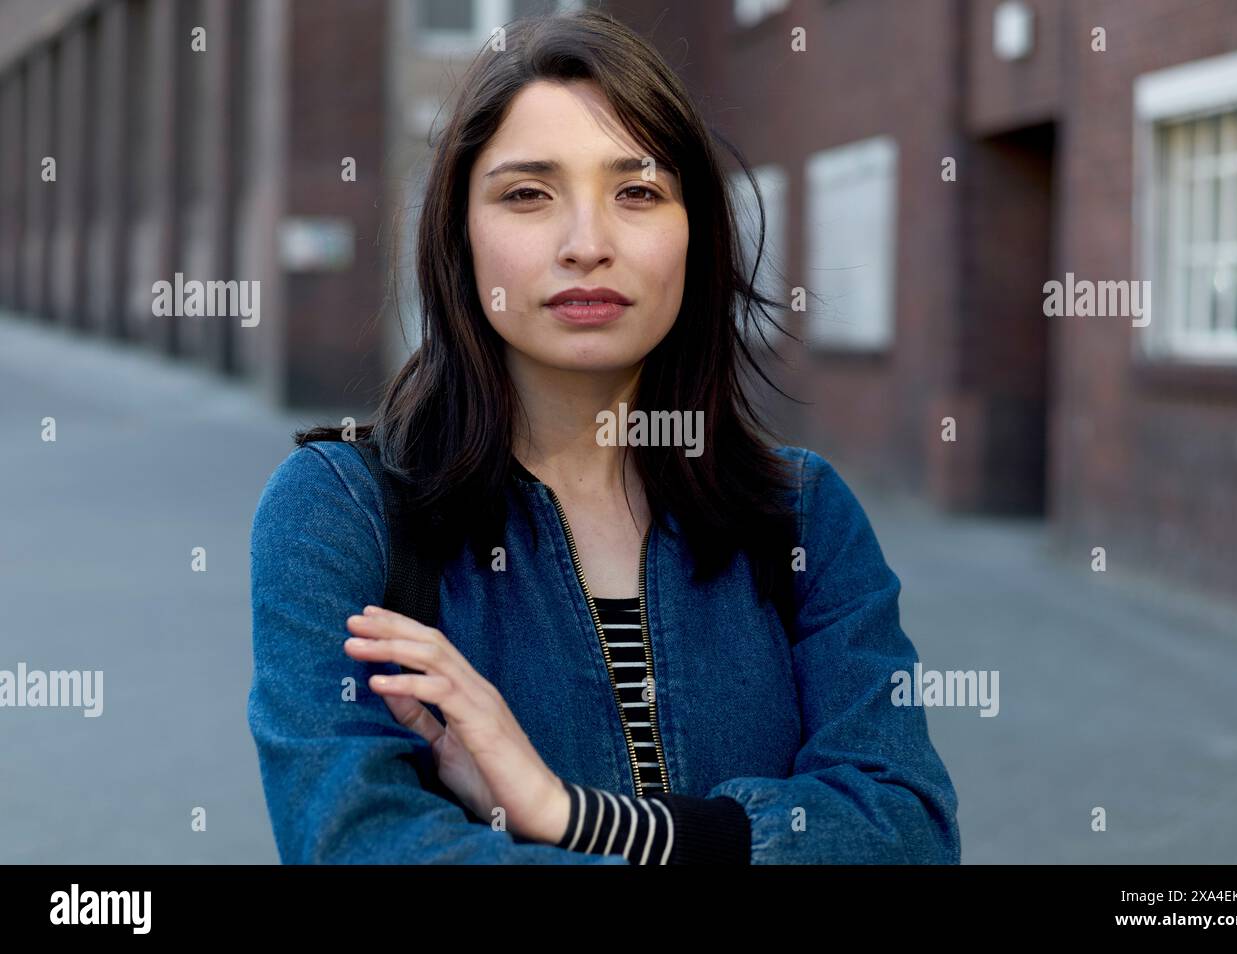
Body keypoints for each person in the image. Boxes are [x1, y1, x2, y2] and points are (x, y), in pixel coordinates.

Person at [246, 8, 960, 865]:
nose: (588, 245)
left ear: (696, 232)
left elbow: (908, 831)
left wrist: (572, 817)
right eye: (527, 194)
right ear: (459, 236)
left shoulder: (801, 516)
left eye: (638, 192)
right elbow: (360, 845)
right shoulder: (346, 513)